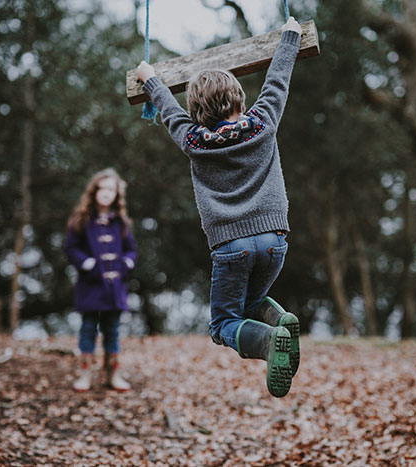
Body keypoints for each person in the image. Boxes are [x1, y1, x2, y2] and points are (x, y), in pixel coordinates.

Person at [136, 17, 303, 398]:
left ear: (199, 111)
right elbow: (278, 79)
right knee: (253, 302)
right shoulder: (263, 123)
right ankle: (280, 321)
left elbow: (168, 111)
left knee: (223, 323)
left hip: (231, 247)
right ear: (240, 98)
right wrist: (290, 35)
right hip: (275, 241)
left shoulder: (194, 140)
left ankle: (268, 342)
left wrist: (151, 78)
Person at [64, 168, 137, 392]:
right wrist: (87, 264)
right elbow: (70, 247)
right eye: (102, 188)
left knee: (113, 329)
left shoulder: (121, 222)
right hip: (90, 286)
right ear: (94, 191)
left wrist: (126, 263)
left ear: (117, 194)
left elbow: (131, 249)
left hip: (115, 288)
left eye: (111, 190)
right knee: (88, 328)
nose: (106, 193)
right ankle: (85, 374)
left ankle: (112, 375)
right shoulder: (81, 219)